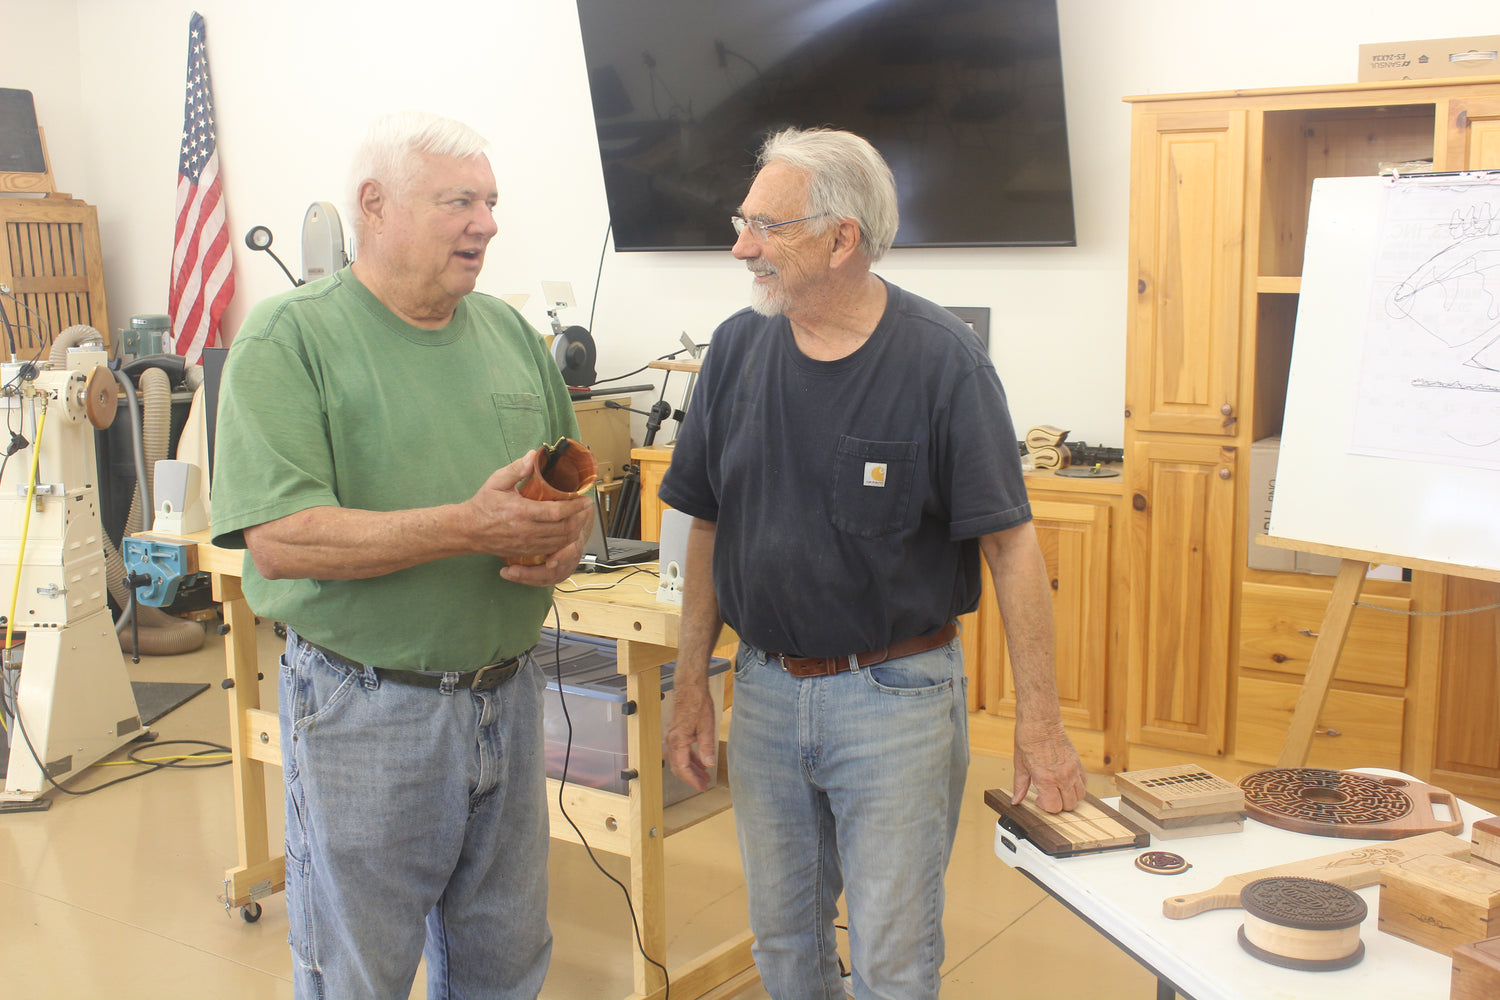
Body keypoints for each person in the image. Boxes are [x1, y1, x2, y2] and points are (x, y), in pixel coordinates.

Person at [661, 127, 1088, 1000]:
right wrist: (692, 682)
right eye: (742, 221)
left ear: (840, 239)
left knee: (894, 964)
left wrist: (1041, 725)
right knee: (783, 950)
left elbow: (1009, 546)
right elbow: (706, 524)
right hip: (768, 693)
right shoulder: (736, 350)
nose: (742, 246)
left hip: (895, 703)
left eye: (764, 227)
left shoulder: (943, 362)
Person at [210, 112, 593, 1000]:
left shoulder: (506, 333)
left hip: (510, 692)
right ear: (373, 206)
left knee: (505, 962)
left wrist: (562, 540)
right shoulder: (288, 339)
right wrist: (470, 526)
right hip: (365, 710)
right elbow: (282, 535)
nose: (487, 222)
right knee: (360, 973)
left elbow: (566, 492)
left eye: (491, 202)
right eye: (460, 200)